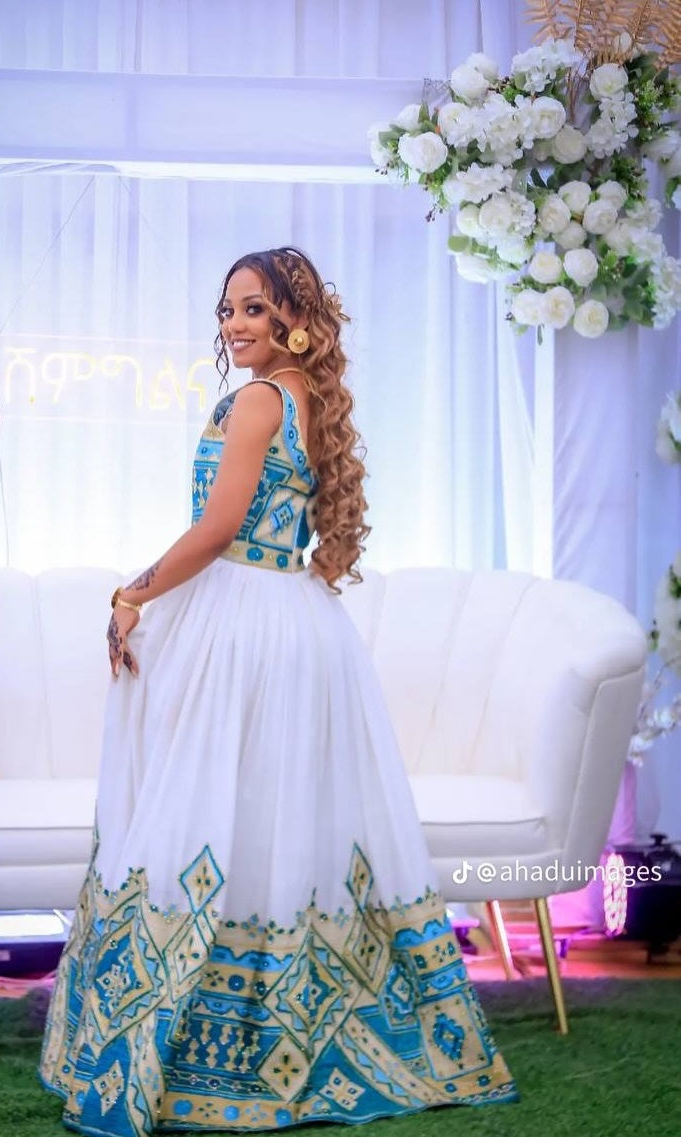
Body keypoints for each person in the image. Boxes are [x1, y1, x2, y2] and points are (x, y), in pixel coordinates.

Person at [37, 246, 518, 1134]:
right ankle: (296, 1030)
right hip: (293, 621)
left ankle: (188, 1046)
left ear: (295, 318)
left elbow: (218, 527)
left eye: (253, 308)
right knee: (269, 823)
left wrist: (129, 593)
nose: (234, 324)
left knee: (200, 812)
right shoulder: (310, 398)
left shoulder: (258, 398)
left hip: (241, 624)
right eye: (227, 310)